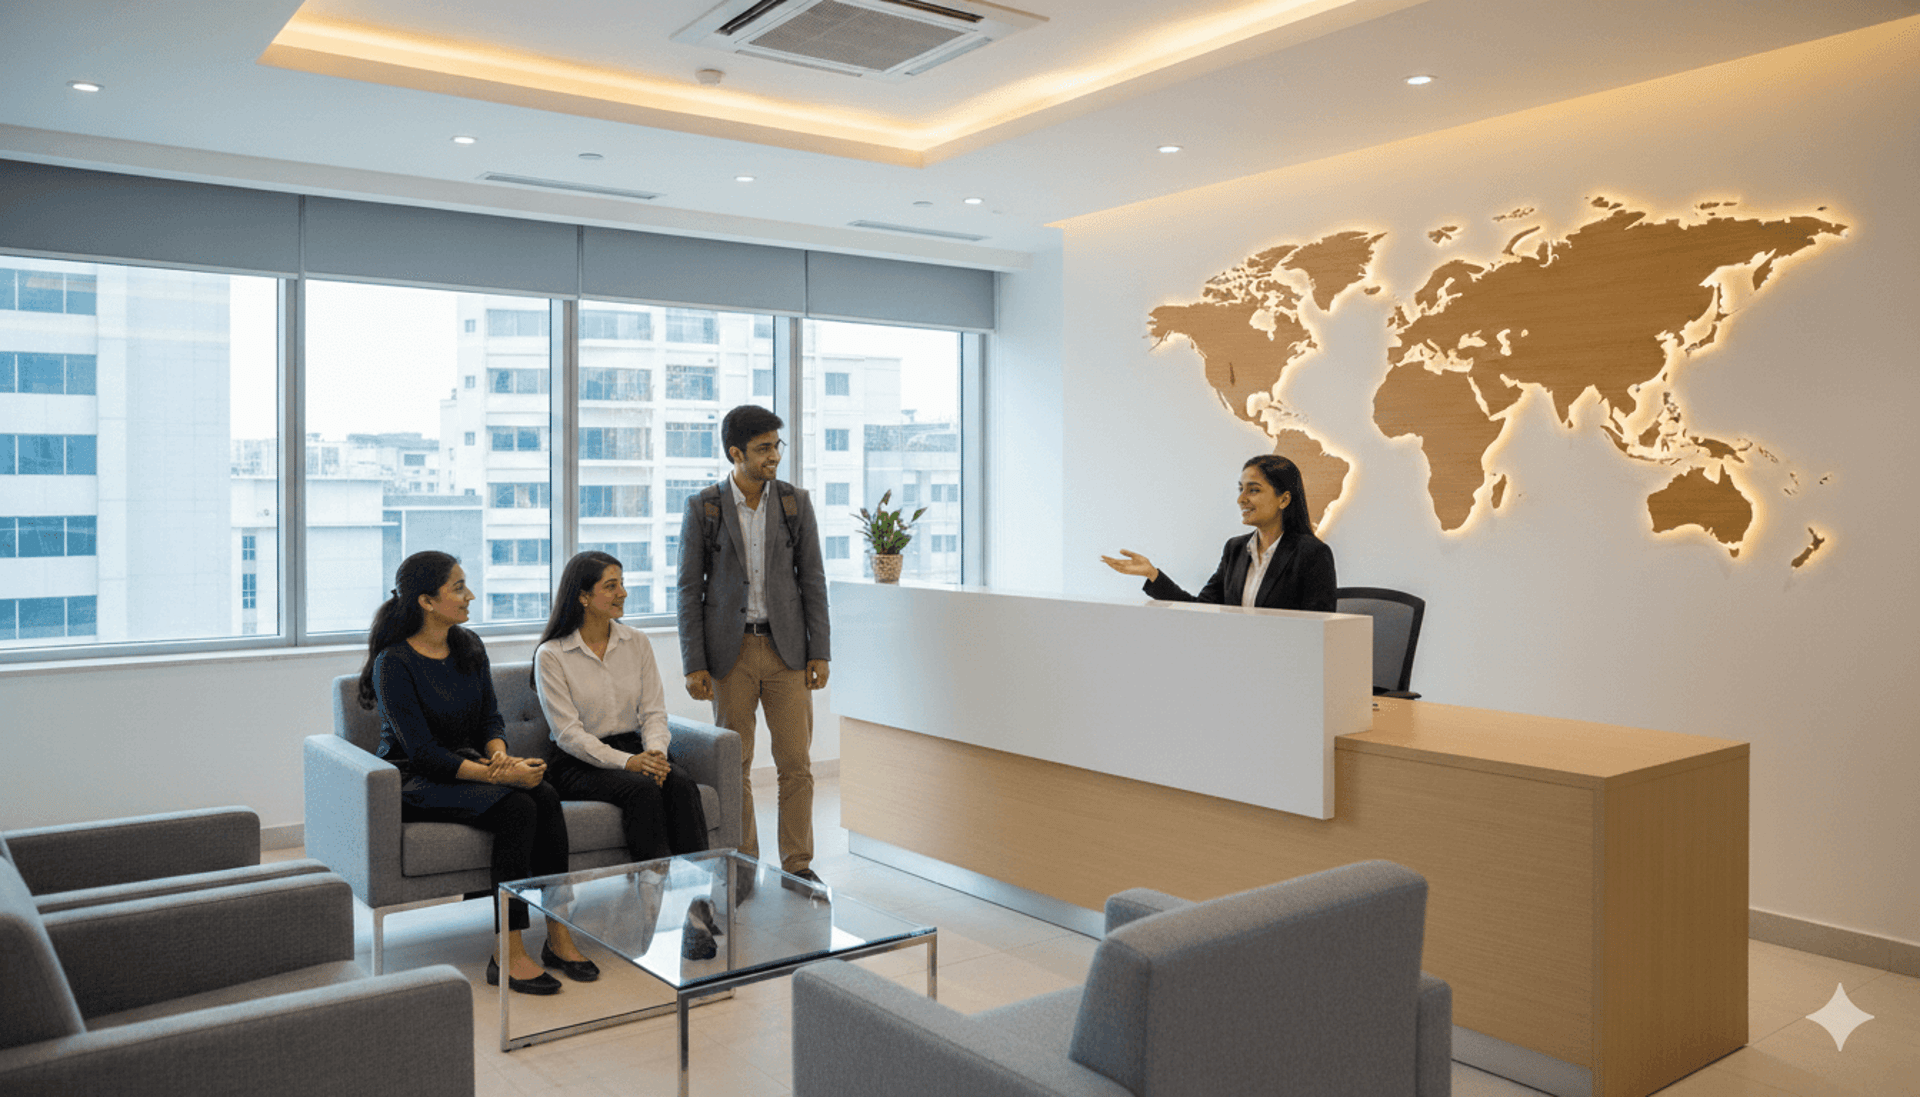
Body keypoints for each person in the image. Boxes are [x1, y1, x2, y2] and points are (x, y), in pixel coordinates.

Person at [358, 550, 594, 995]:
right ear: (427, 601)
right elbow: (423, 753)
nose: (470, 596)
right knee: (517, 807)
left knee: (542, 793)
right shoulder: (395, 663)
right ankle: (508, 951)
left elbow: (490, 718)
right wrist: (499, 777)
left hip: (470, 764)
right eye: (459, 587)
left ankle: (558, 931)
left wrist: (500, 756)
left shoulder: (469, 645)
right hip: (416, 780)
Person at [677, 404, 831, 885]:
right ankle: (743, 864)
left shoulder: (793, 503)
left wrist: (819, 649)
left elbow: (813, 579)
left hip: (787, 652)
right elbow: (688, 589)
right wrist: (693, 663)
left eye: (777, 446)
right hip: (730, 654)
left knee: (796, 764)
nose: (775, 457)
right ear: (735, 452)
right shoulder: (703, 507)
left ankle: (799, 865)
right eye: (764, 448)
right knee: (735, 764)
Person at [532, 550, 710, 864]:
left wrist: (654, 753)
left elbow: (653, 712)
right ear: (583, 597)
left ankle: (703, 895)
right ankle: (652, 890)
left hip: (636, 747)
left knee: (681, 784)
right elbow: (568, 734)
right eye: (611, 586)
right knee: (641, 789)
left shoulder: (637, 642)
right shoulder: (552, 654)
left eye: (622, 584)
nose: (623, 593)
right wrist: (629, 762)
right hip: (577, 761)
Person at [1101, 453, 1338, 612]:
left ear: (1284, 499)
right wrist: (1153, 575)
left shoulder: (1312, 553)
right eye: (1241, 489)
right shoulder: (1235, 549)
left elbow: (1318, 632)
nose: (1241, 499)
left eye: (1253, 490)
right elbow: (1202, 610)